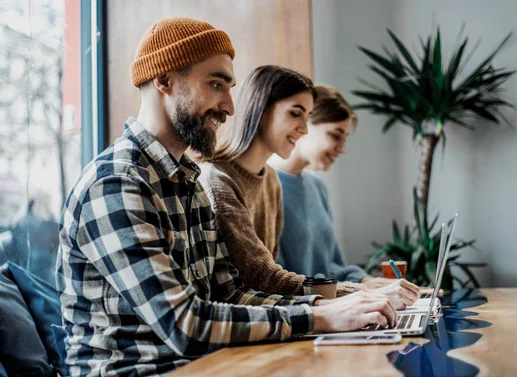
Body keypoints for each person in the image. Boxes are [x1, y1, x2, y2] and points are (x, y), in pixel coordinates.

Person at [55, 18, 398, 377]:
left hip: (208, 366)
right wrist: (317, 315)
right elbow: (185, 324)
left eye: (229, 87)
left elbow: (230, 295)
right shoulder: (115, 184)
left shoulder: (189, 182)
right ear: (164, 80)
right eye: (216, 84)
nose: (230, 107)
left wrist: (331, 307)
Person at [198, 66, 419, 303]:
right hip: (261, 320)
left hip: (286, 311)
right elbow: (262, 278)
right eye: (296, 113)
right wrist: (362, 293)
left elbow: (274, 275)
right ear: (260, 109)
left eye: (307, 116)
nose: (303, 128)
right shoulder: (218, 181)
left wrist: (365, 288)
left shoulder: (270, 180)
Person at [270, 86, 398, 288]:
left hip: (336, 302)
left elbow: (332, 266)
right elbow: (274, 278)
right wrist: (358, 289)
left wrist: (368, 282)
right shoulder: (265, 187)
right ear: (305, 123)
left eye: (344, 138)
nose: (343, 148)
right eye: (335, 135)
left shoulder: (317, 186)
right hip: (307, 311)